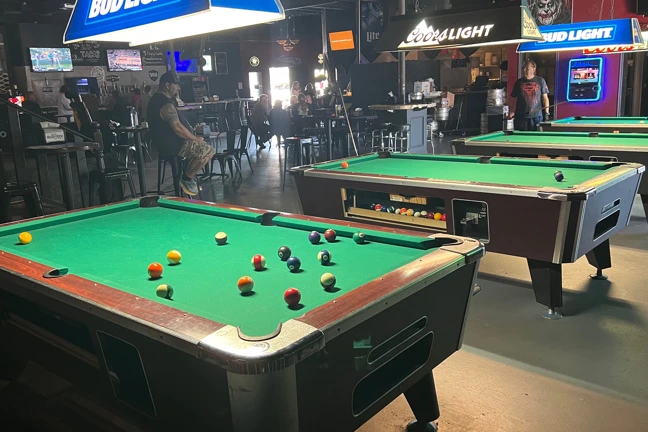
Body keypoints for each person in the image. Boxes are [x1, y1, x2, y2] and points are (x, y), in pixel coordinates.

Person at [148, 72, 215, 196]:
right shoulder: (165, 104)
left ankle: (187, 173)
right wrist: (196, 139)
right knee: (208, 150)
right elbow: (178, 129)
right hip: (172, 146)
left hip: (162, 144)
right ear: (167, 85)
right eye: (176, 85)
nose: (178, 88)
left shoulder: (154, 100)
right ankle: (186, 178)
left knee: (201, 146)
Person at [508, 60, 550, 131]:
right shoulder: (518, 82)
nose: (524, 70)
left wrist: (546, 113)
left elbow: (545, 98)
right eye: (523, 68)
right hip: (521, 117)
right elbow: (513, 98)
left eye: (527, 69)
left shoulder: (540, 81)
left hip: (536, 117)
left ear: (533, 69)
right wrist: (511, 111)